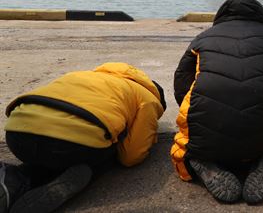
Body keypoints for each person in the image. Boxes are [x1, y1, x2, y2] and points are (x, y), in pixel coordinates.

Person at [171, 0, 263, 204]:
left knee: (189, 145)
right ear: (262, 17)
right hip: (261, 134)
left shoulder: (203, 38)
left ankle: (202, 161)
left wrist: (199, 118)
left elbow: (181, 85)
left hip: (207, 133)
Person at [0, 62, 166, 213]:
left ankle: (14, 178)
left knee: (50, 148)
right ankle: (66, 180)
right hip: (70, 146)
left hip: (17, 134)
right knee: (106, 146)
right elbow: (131, 157)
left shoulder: (81, 74)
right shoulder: (148, 98)